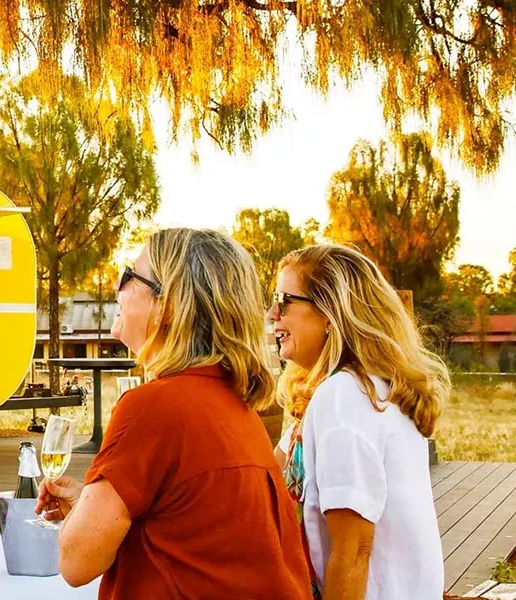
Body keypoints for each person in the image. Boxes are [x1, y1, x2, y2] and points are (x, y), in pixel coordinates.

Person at [35, 227, 311, 599]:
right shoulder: (232, 405)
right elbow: (189, 532)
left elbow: (76, 562)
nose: (118, 288)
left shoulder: (155, 407)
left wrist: (84, 518)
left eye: (129, 276)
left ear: (169, 307)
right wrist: (93, 504)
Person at [269, 244, 449, 600]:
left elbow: (352, 554)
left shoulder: (346, 398)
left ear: (330, 313)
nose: (272, 312)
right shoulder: (364, 391)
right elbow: (264, 484)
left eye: (283, 300)